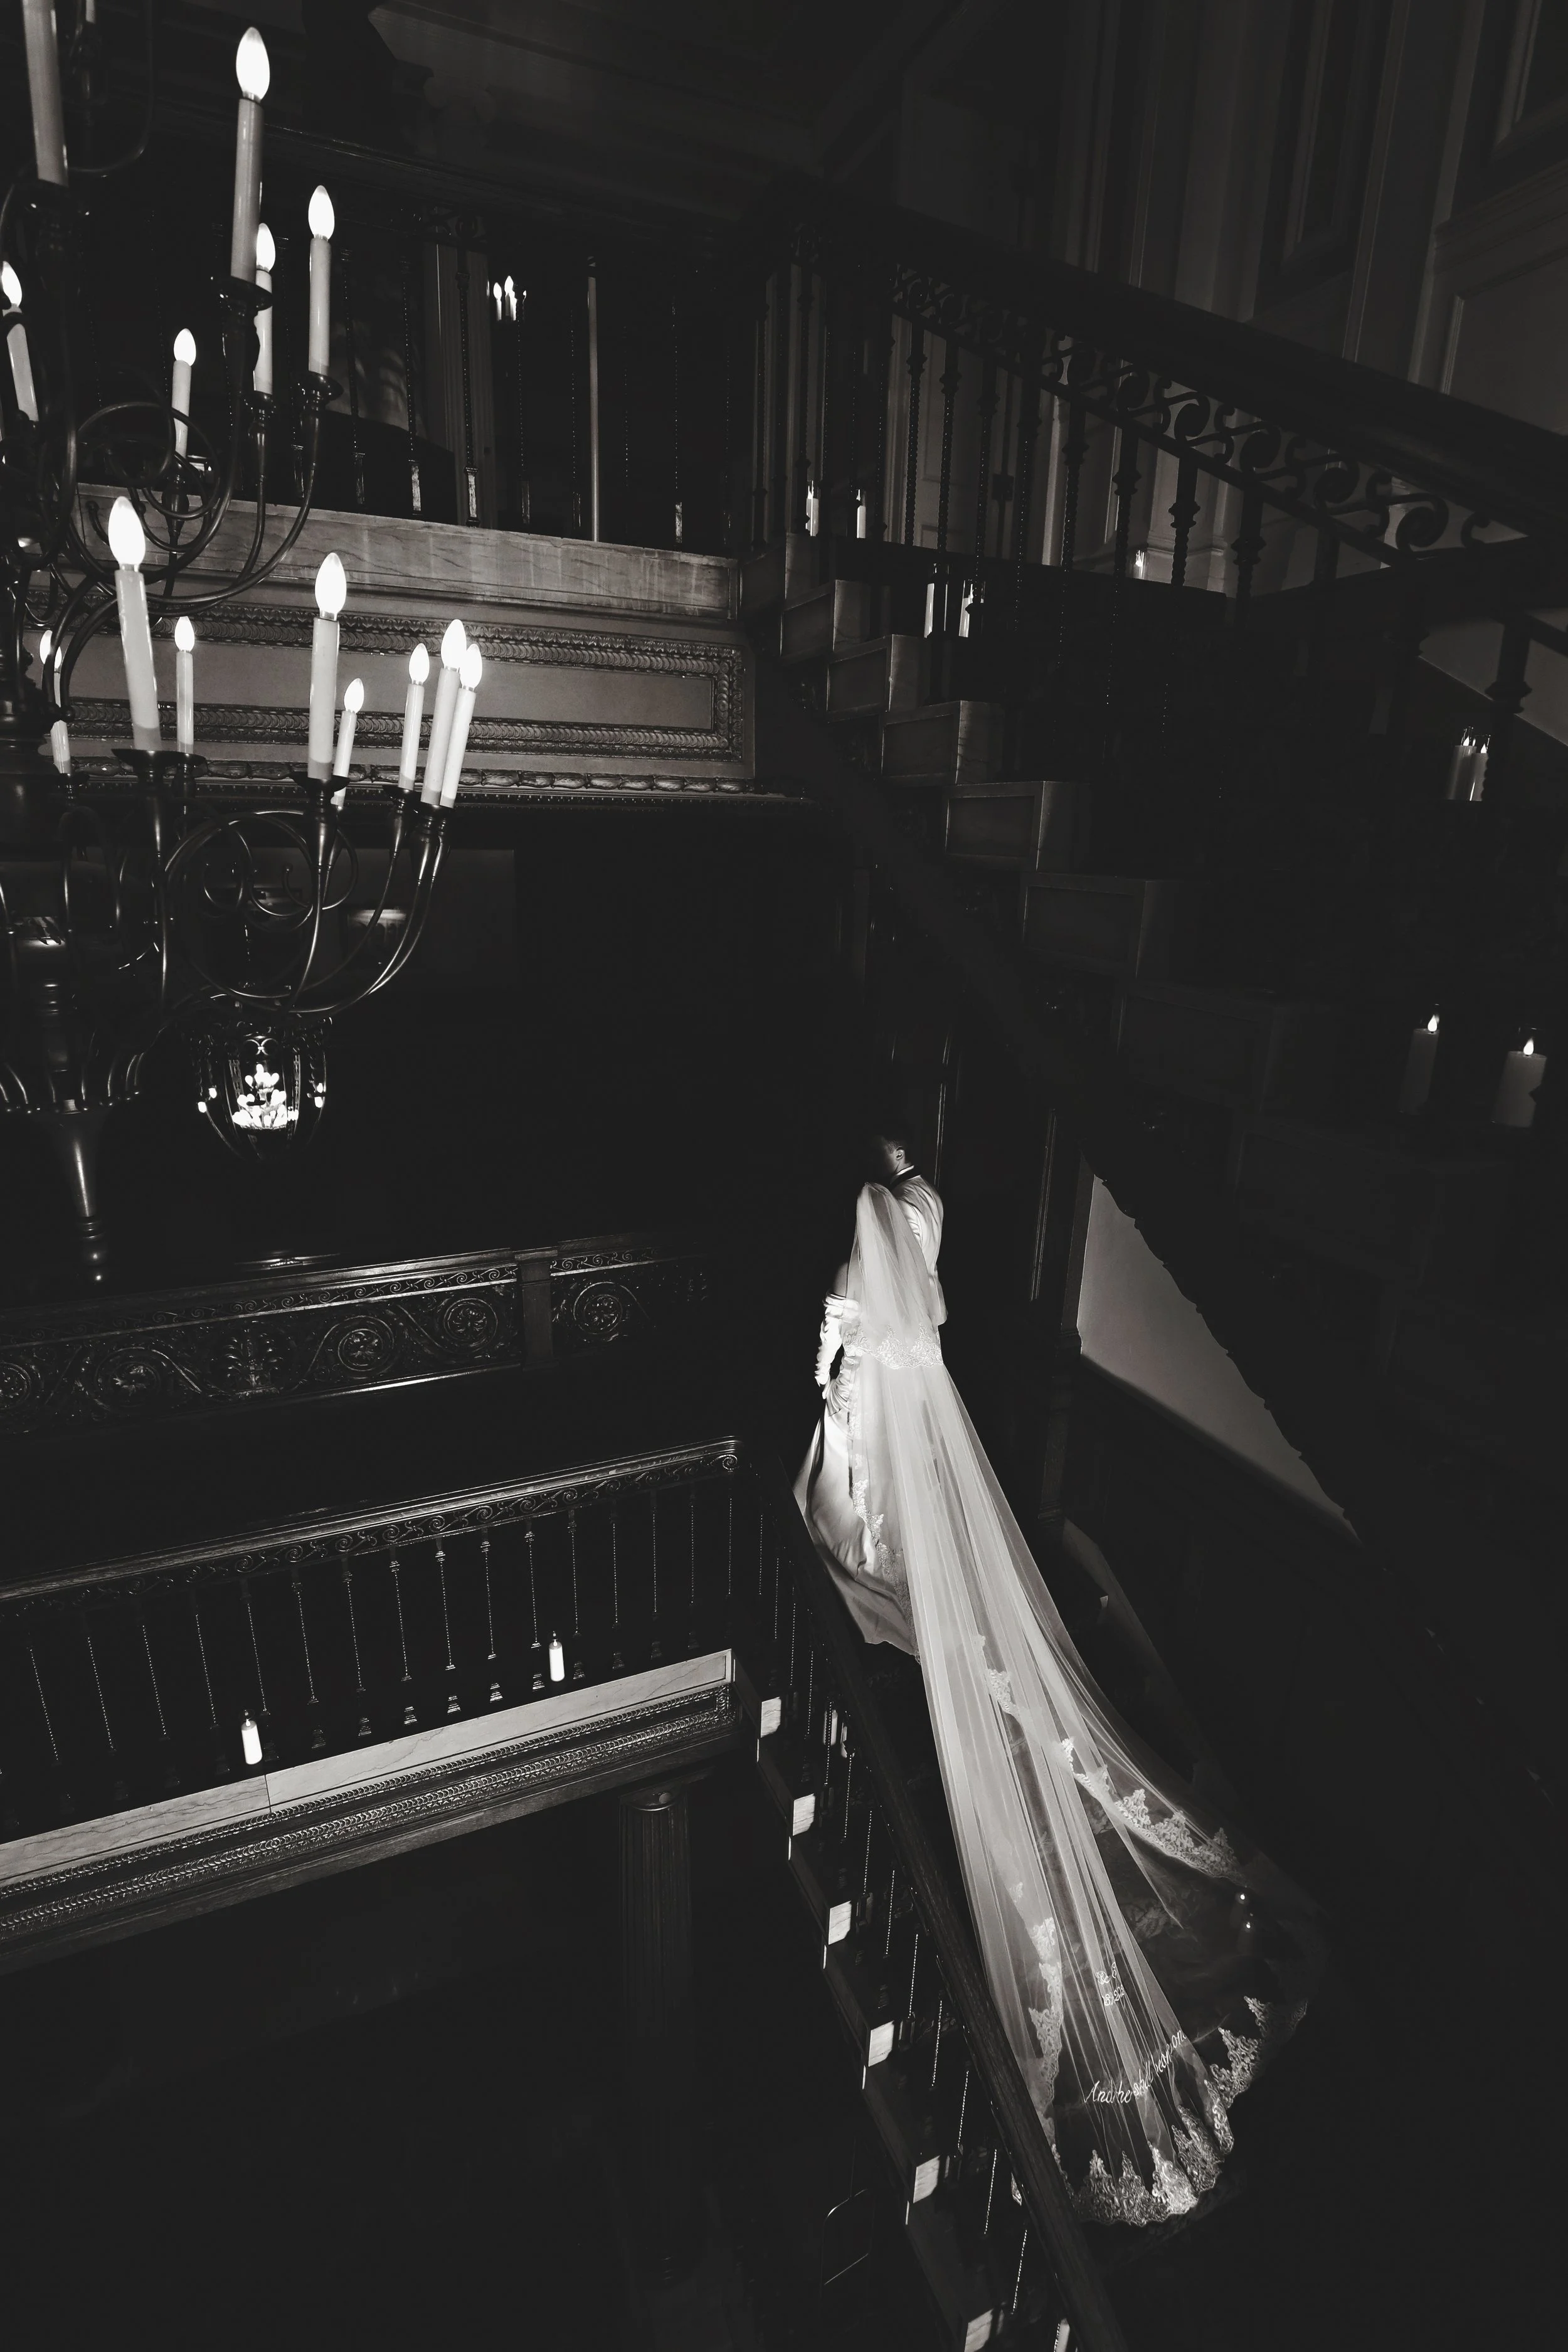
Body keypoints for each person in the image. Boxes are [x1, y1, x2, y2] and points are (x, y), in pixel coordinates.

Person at [794, 1135, 1323, 2228]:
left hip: (888, 1407)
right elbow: (905, 1311)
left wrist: (831, 1366)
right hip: (922, 1393)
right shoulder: (921, 1200)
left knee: (860, 1528)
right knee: (903, 1533)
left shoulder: (867, 1221)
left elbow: (841, 1356)